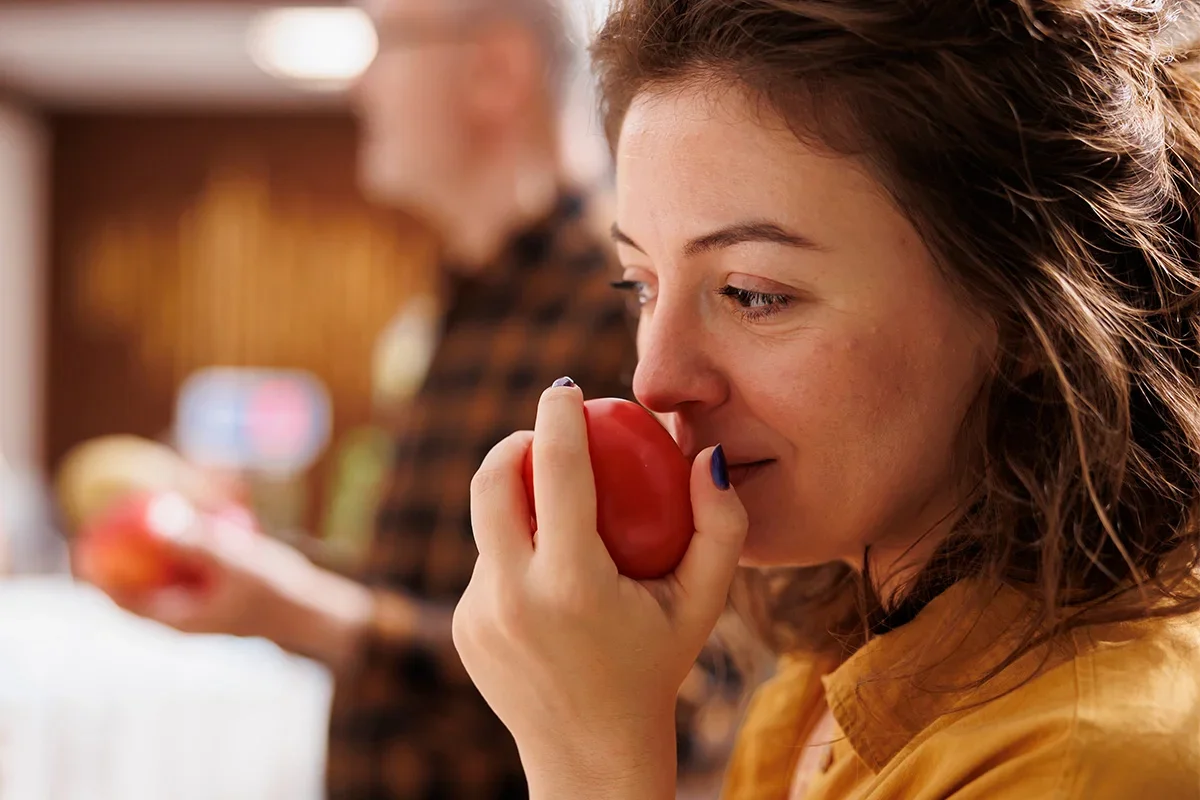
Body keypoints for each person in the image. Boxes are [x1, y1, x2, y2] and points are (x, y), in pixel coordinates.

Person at [453, 1, 1200, 798]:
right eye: (640, 284)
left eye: (752, 293)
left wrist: (590, 760)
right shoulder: (829, 671)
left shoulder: (1080, 765)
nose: (654, 380)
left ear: (1022, 316)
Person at [76, 0, 641, 797]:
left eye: (386, 45)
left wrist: (298, 612)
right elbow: (434, 591)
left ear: (496, 71)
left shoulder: (624, 307)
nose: (359, 88)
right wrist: (263, 563)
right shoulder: (470, 296)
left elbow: (639, 681)